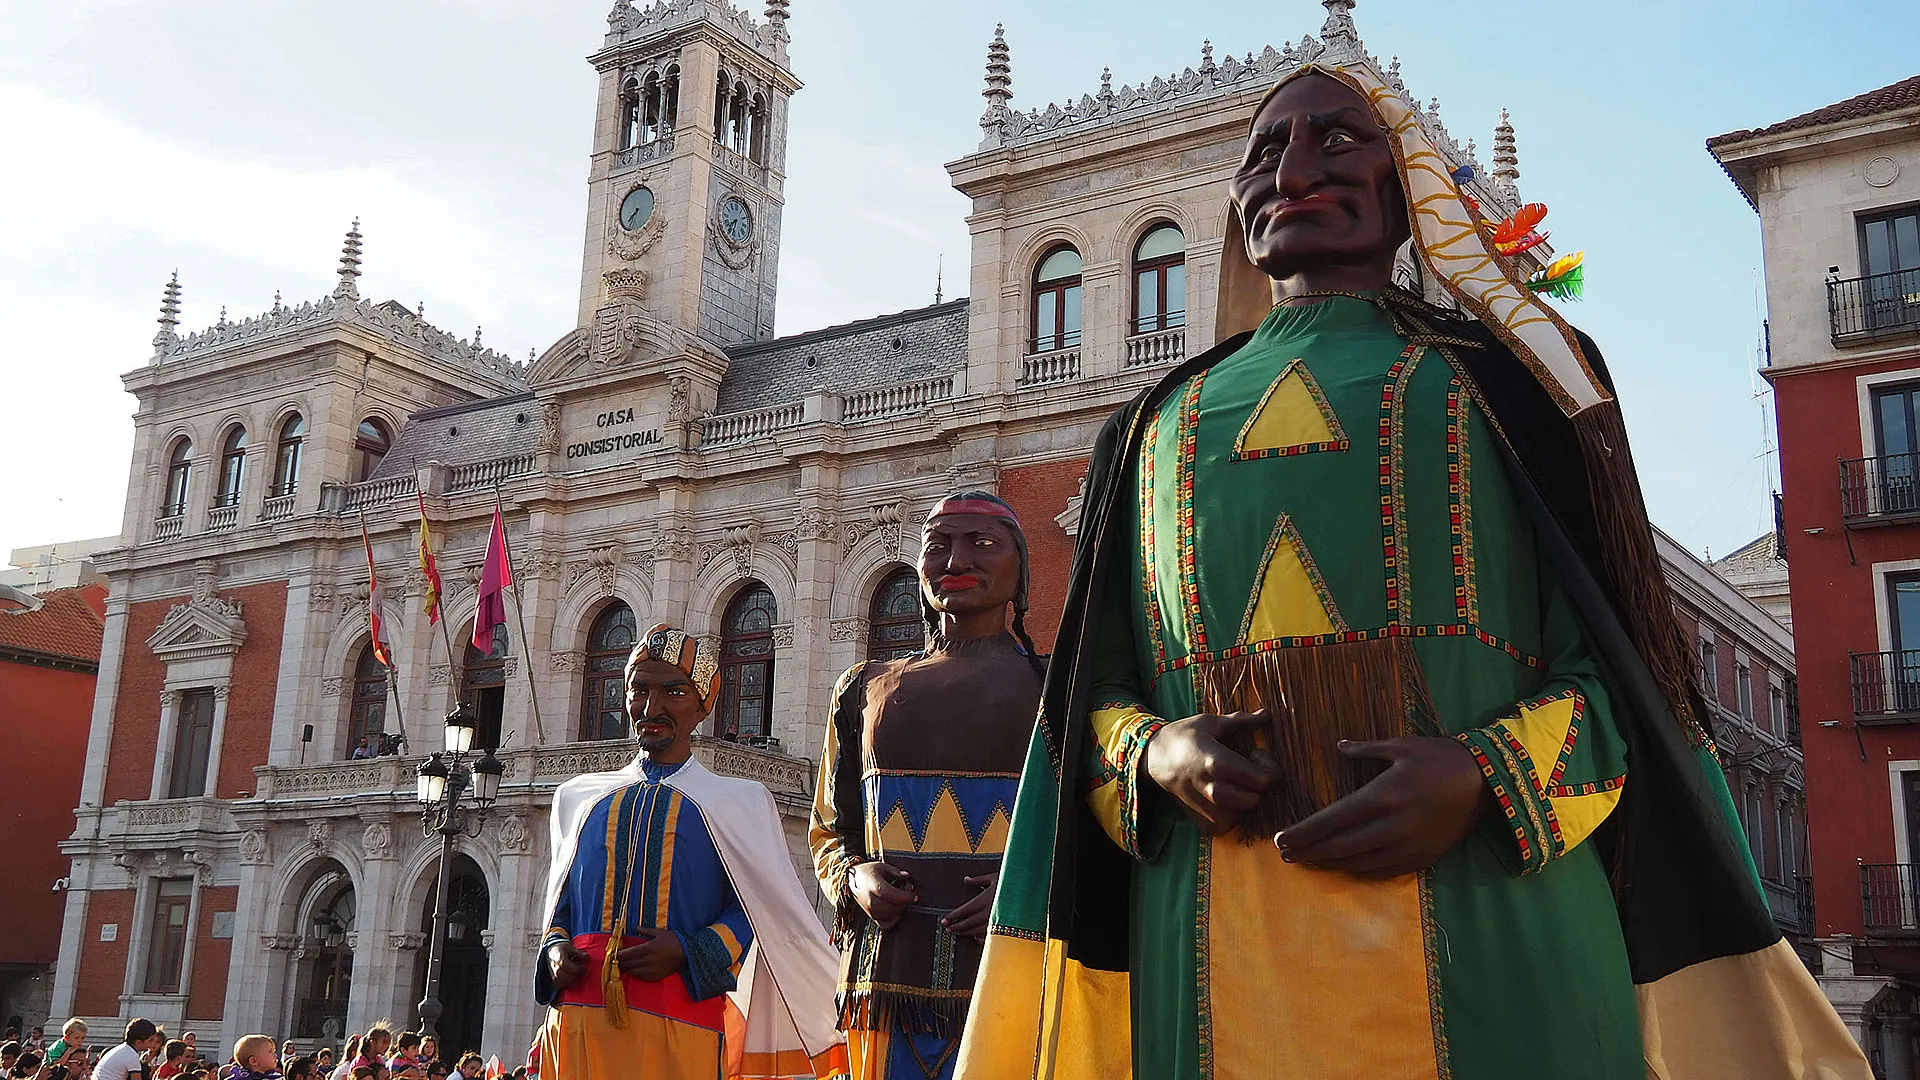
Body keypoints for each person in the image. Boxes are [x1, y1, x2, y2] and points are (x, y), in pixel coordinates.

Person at [957, 22, 1872, 1080]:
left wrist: (1486, 776)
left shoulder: (1531, 385)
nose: (1294, 171)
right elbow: (1096, 695)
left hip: (1500, 936)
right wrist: (1153, 755)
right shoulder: (1149, 426)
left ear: (1408, 192)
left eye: (1339, 141)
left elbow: (1628, 685)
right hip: (1205, 958)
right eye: (1264, 153)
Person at [535, 623, 849, 1079]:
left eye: (674, 692)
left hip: (682, 1022)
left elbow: (758, 913)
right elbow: (560, 908)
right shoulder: (578, 799)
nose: (652, 707)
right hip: (580, 1020)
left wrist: (687, 949)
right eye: (638, 690)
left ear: (705, 705)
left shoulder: (738, 804)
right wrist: (556, 950)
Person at [811, 493, 1043, 1080]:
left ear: (1020, 571)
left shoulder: (1058, 684)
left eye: (982, 545)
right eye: (937, 545)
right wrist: (853, 876)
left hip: (1016, 969)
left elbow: (1093, 818)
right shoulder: (861, 687)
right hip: (884, 978)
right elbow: (831, 829)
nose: (955, 560)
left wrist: (1028, 889)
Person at [91, 1020, 162, 1080]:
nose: (153, 1043)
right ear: (139, 1042)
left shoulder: (122, 1049)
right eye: (151, 1040)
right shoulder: (132, 1056)